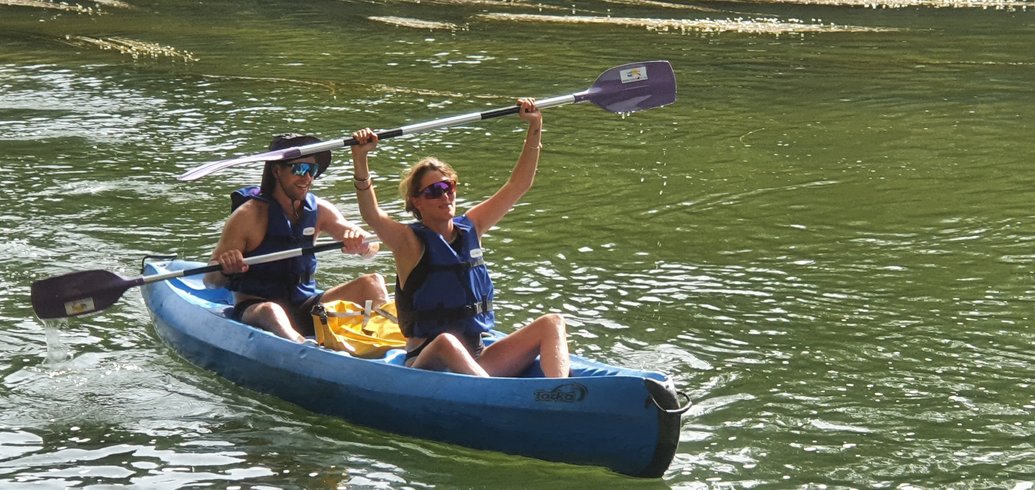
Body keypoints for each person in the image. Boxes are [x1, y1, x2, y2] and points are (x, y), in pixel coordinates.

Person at [349, 98, 570, 378]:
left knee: (552, 322)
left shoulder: (473, 225)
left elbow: (519, 185)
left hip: (477, 358)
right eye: (433, 191)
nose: (444, 196)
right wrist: (360, 158)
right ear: (416, 201)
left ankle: (559, 393)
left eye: (448, 187)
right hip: (430, 361)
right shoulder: (408, 241)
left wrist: (535, 125)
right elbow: (371, 214)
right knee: (447, 342)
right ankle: (494, 396)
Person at [203, 134, 389, 343]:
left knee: (373, 283)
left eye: (312, 170)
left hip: (305, 304)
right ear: (276, 170)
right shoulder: (248, 216)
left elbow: (373, 244)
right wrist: (225, 269)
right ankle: (303, 348)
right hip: (257, 307)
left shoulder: (319, 209)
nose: (307, 178)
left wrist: (362, 244)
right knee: (272, 311)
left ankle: (391, 342)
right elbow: (210, 281)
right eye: (300, 169)